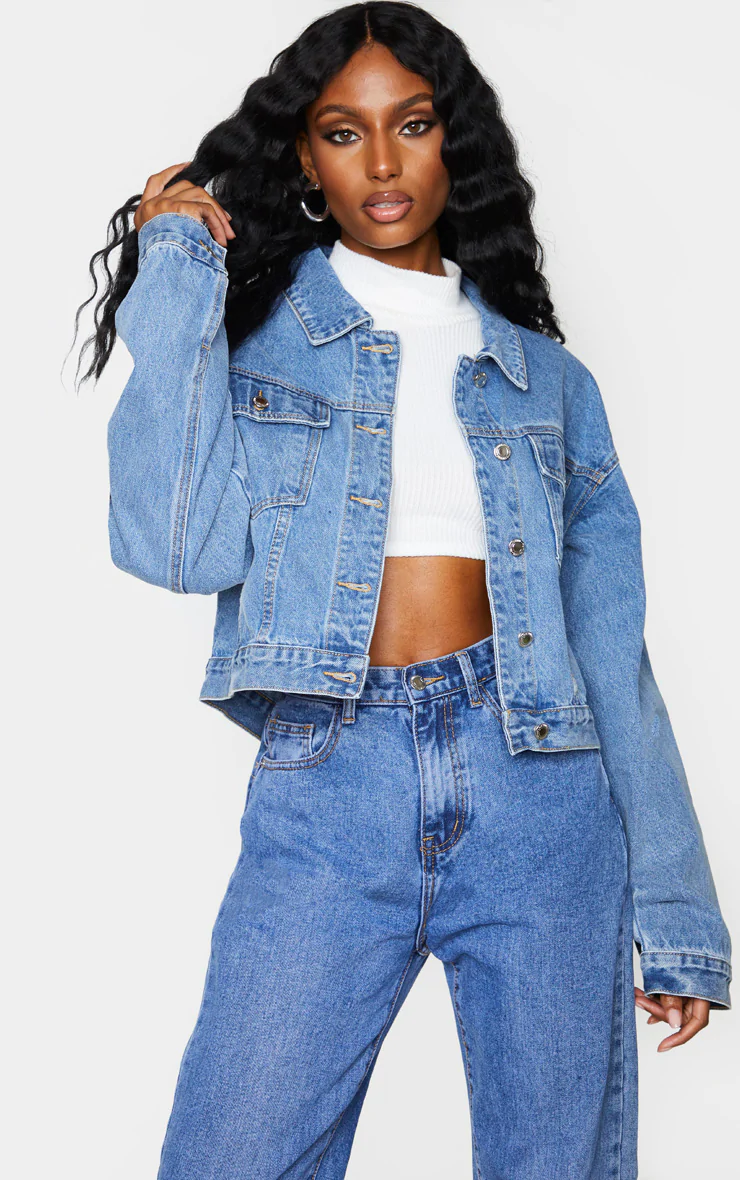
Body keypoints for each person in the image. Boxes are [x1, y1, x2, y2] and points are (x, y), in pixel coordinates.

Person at [74, 3, 731, 1177]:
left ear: (451, 142)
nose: (380, 162)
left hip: (541, 787)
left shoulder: (547, 382)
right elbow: (173, 546)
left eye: (411, 124)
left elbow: (610, 654)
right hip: (331, 779)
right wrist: (173, 264)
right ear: (304, 161)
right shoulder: (253, 346)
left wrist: (676, 912)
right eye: (342, 132)